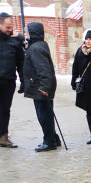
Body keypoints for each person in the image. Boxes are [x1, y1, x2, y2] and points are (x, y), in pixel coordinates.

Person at [23, 22, 58, 152]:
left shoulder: (36, 48)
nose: (25, 34)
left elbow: (44, 70)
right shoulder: (37, 45)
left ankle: (49, 142)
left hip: (40, 87)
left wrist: (44, 87)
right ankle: (54, 138)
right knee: (46, 113)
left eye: (27, 32)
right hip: (40, 86)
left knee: (44, 115)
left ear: (33, 33)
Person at [0, 12, 24, 148]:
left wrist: (23, 81)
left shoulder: (15, 40)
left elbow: (21, 62)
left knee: (5, 110)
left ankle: (3, 137)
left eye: (11, 27)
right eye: (7, 27)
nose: (10, 30)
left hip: (8, 81)